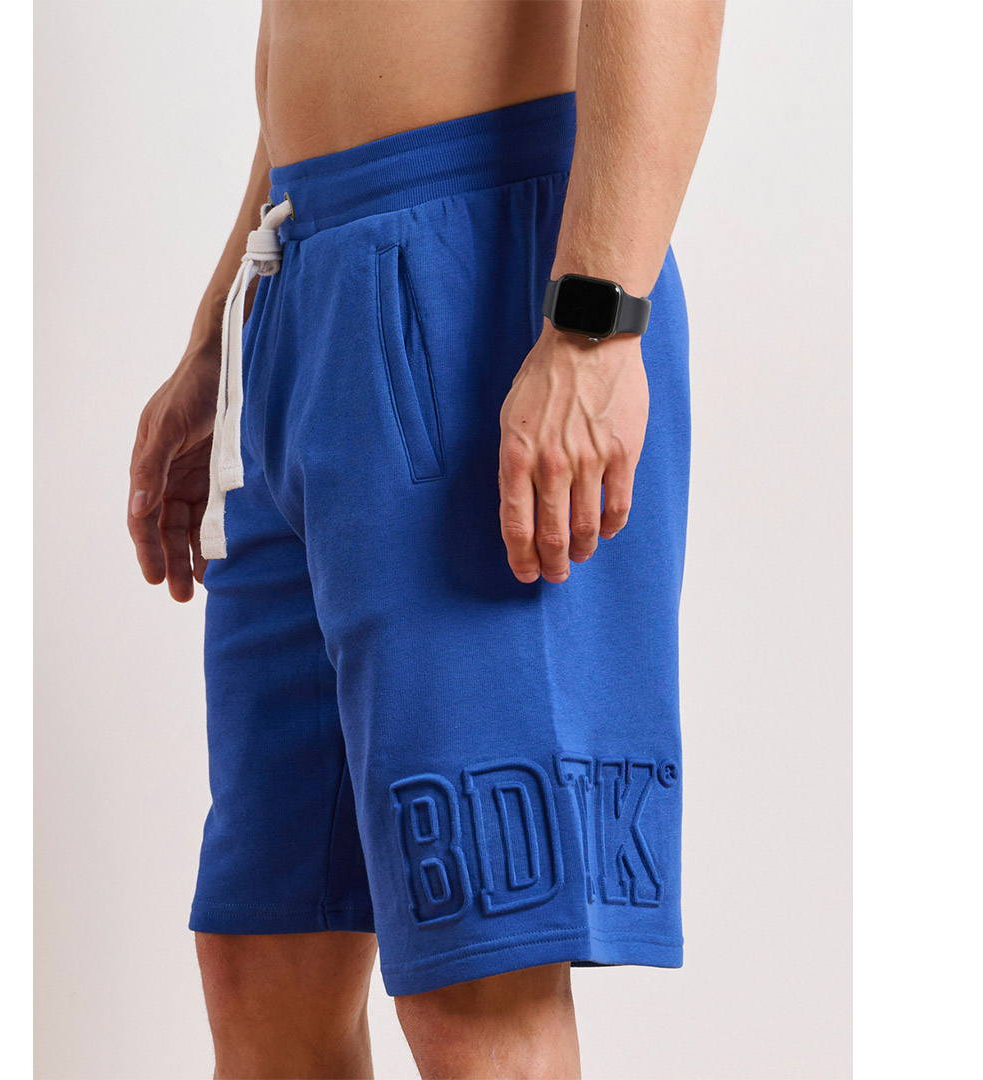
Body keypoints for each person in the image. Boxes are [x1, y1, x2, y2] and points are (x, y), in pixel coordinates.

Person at [128, 2, 723, 1076]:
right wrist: (223, 333)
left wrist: (594, 326)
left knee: (476, 976)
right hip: (298, 273)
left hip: (480, 272)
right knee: (266, 954)